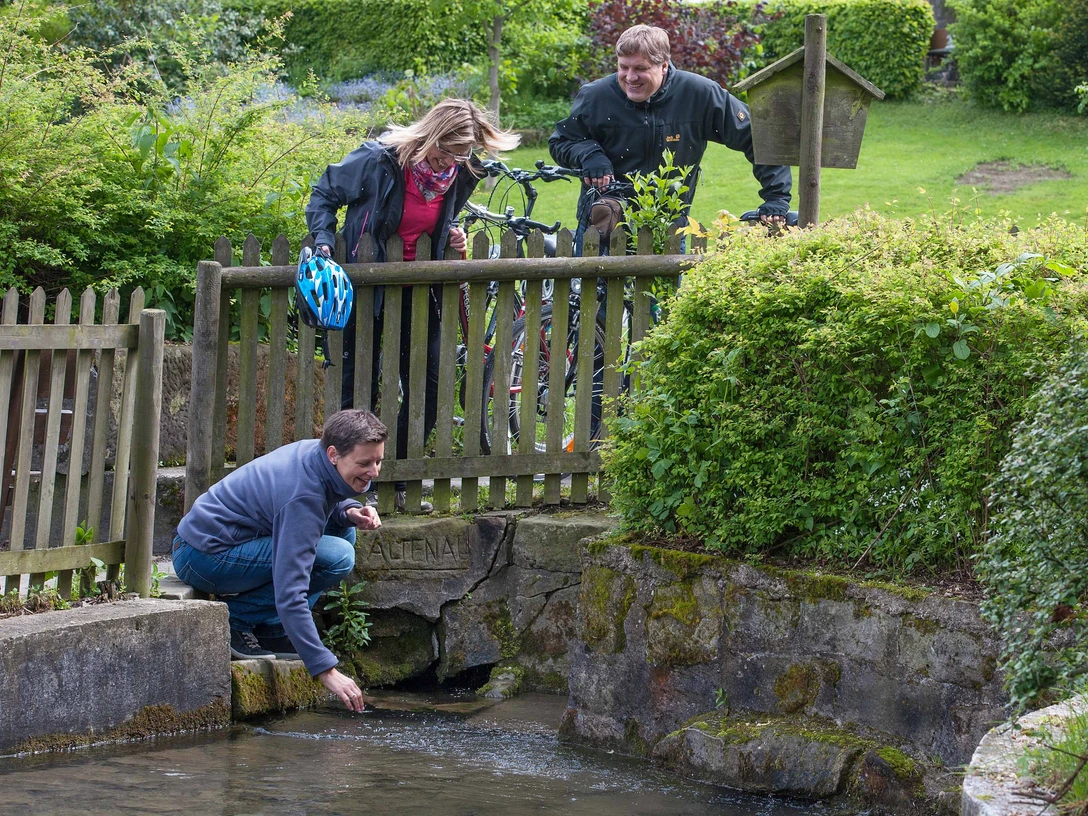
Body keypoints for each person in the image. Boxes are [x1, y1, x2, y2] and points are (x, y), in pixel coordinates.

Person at [306, 99, 519, 512]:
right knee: (358, 386)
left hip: (422, 292)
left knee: (433, 384)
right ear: (428, 136)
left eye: (458, 156)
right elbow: (323, 194)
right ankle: (344, 487)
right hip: (367, 288)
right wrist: (323, 240)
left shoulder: (462, 172)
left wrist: (452, 234)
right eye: (443, 153)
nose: (447, 164)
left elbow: (440, 219)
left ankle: (393, 471)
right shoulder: (378, 160)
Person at [172, 409, 387, 713]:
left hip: (227, 543)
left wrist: (348, 511)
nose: (374, 472)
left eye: (378, 461)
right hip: (204, 556)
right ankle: (237, 618)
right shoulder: (303, 496)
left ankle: (272, 629)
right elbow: (291, 592)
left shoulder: (319, 456)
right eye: (365, 463)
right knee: (337, 557)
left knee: (344, 534)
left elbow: (331, 499)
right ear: (333, 454)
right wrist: (326, 670)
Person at [549, 24, 793, 254]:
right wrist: (589, 154)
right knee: (593, 299)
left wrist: (775, 198)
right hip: (603, 225)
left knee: (662, 300)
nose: (629, 77)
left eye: (640, 69)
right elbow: (562, 141)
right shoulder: (597, 96)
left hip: (668, 228)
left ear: (663, 65)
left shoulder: (699, 95)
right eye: (623, 67)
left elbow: (758, 137)